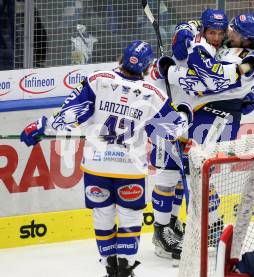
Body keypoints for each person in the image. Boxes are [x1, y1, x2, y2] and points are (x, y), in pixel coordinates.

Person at [20, 40, 189, 277]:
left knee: (103, 218)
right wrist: (182, 112)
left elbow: (69, 114)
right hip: (130, 170)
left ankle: (110, 270)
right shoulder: (154, 94)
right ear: (147, 65)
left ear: (122, 58)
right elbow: (172, 131)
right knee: (130, 220)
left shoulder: (97, 79)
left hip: (97, 167)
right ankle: (125, 270)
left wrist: (41, 126)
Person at [147, 9, 254, 259]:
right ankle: (164, 228)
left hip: (214, 121)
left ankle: (211, 227)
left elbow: (210, 79)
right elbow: (189, 31)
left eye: (233, 31)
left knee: (197, 176)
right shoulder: (223, 42)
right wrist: (185, 31)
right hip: (181, 113)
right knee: (170, 170)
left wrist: (170, 70)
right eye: (226, 28)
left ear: (246, 40)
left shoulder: (250, 62)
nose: (226, 33)